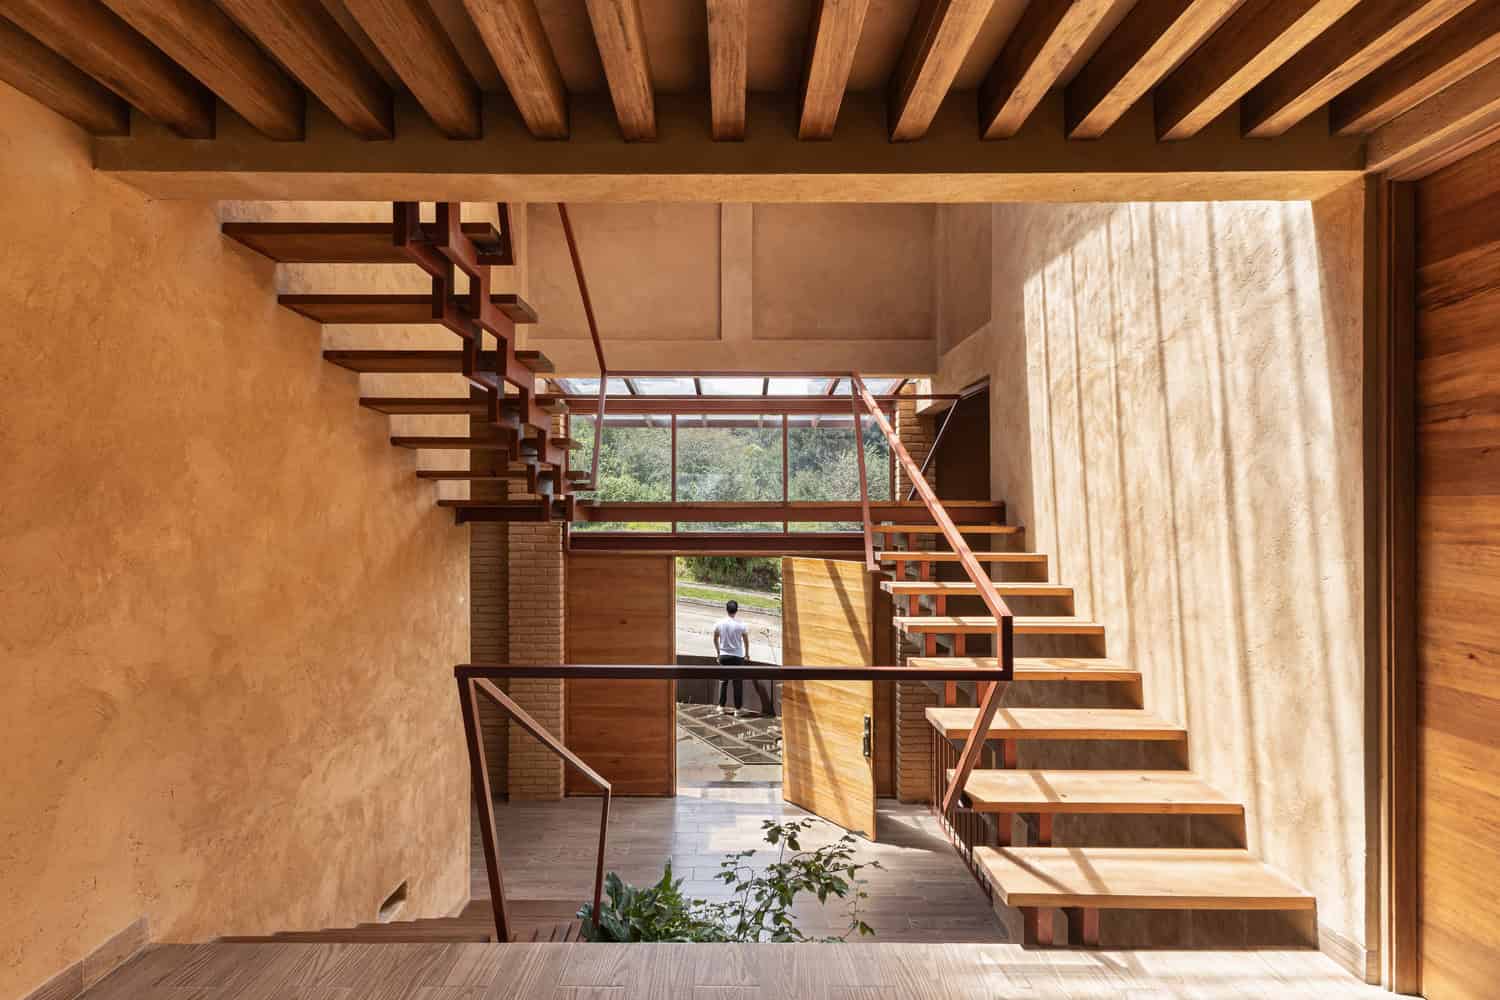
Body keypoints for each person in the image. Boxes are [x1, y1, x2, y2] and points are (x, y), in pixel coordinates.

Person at [713, 599, 750, 715]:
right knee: (737, 683)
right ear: (737, 610)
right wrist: (747, 654)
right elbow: (746, 641)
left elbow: (715, 639)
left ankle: (721, 707)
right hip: (738, 657)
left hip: (724, 656)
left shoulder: (719, 623)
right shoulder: (742, 625)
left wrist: (718, 653)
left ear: (726, 609)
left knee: (723, 682)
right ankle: (738, 709)